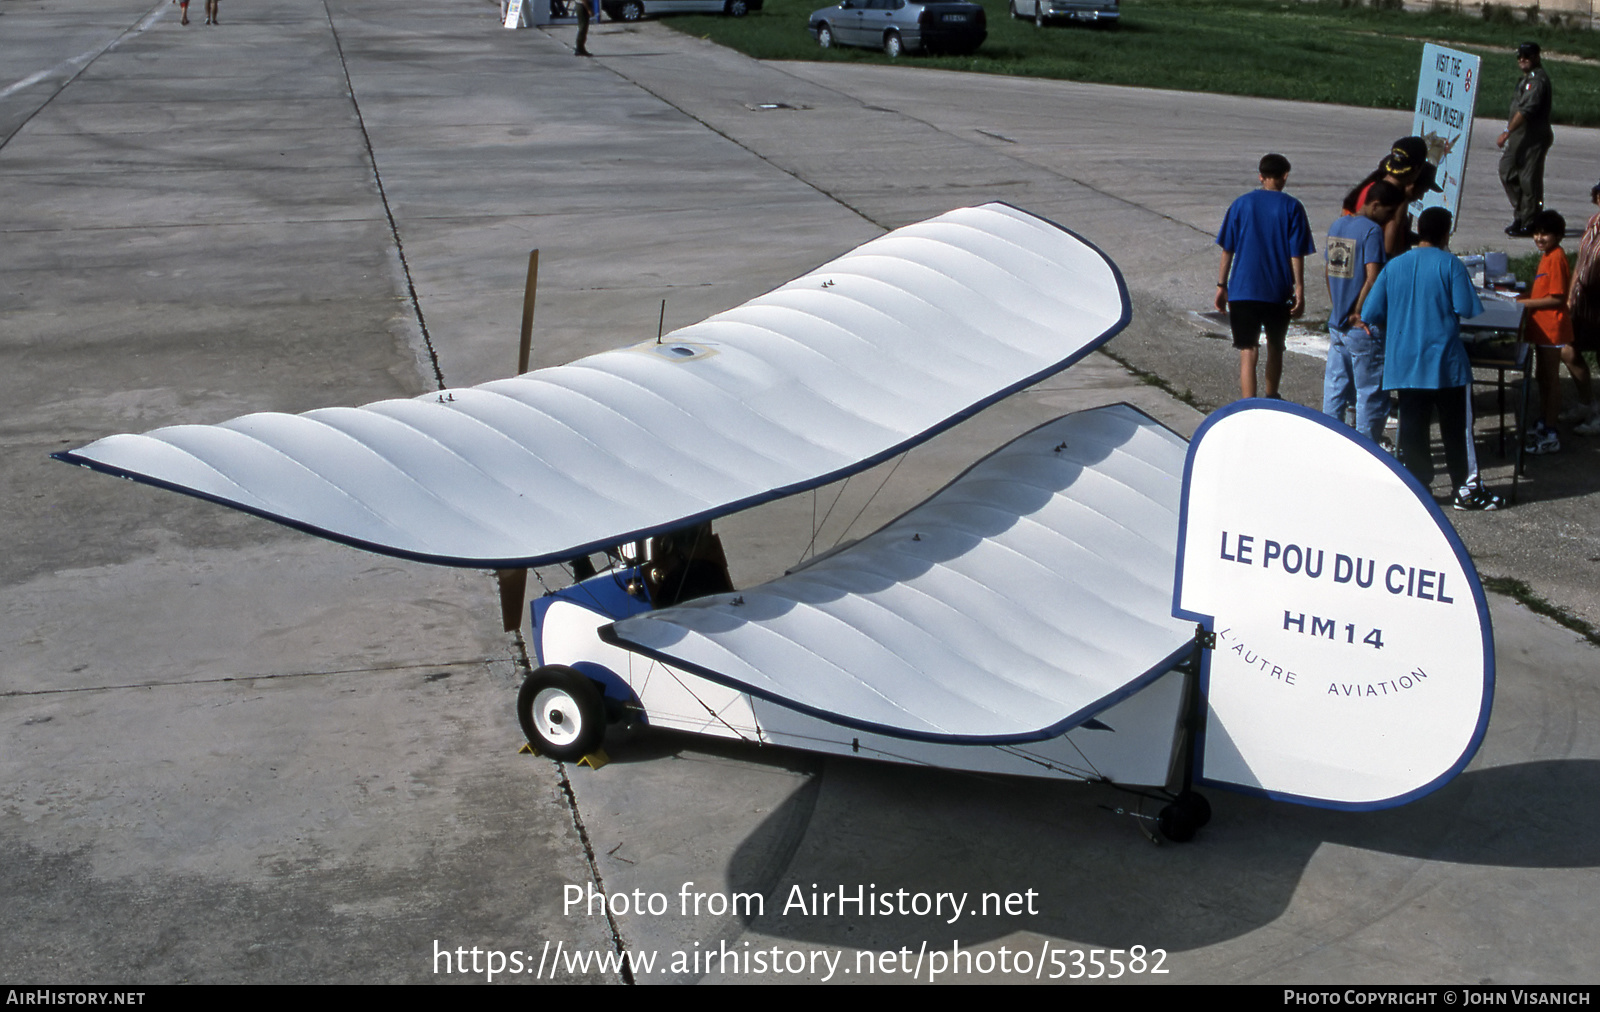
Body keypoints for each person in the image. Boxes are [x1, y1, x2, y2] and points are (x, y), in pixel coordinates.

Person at [1362, 207, 1505, 511]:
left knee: (1412, 429)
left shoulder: (1395, 266)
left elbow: (1371, 312)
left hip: (1404, 363)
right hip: (1445, 364)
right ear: (1445, 232)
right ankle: (1465, 488)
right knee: (1457, 427)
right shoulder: (1450, 264)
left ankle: (1417, 487)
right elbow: (1466, 307)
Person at [1215, 153, 1315, 400]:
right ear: (1285, 176)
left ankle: (1248, 403)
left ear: (1260, 176)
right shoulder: (1292, 207)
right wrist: (1299, 287)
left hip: (1243, 289)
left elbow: (1228, 248)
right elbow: (1296, 253)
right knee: (1275, 347)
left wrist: (1221, 285)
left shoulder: (1241, 204)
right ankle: (1271, 396)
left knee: (1247, 350)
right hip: (1277, 290)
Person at [1324, 180, 1404, 443]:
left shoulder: (1338, 225)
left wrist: (1339, 305)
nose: (1390, 219)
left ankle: (1330, 440)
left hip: (1337, 322)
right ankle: (1367, 446)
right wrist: (1359, 311)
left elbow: (1328, 270)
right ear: (1376, 205)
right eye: (1389, 213)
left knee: (1336, 388)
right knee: (1370, 393)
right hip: (1360, 325)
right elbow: (1372, 277)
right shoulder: (1371, 231)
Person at [1517, 209, 1572, 454]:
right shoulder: (1547, 256)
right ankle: (1544, 421)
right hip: (1541, 329)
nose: (1539, 238)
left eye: (1545, 234)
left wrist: (1522, 304)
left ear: (1559, 236)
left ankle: (1550, 431)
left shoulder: (1557, 258)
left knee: (1551, 379)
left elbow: (1557, 298)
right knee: (1542, 377)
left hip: (1552, 328)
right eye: (1536, 234)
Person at [1342, 137, 1443, 258]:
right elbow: (1390, 252)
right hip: (1370, 269)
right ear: (1417, 169)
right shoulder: (1396, 199)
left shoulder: (1372, 186)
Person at [1498, 42, 1553, 238]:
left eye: (1527, 56)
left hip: (1533, 139)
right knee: (1507, 172)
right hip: (1519, 138)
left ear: (1537, 57)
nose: (1522, 59)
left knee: (1529, 181)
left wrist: (1507, 131)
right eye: (1520, 56)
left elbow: (1526, 110)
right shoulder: (1526, 79)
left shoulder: (1537, 81)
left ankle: (1530, 221)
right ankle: (1521, 214)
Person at [1565, 182, 1600, 435]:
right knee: (1567, 349)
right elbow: (1580, 261)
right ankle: (1587, 402)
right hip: (1582, 302)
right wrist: (1569, 296)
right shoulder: (1593, 224)